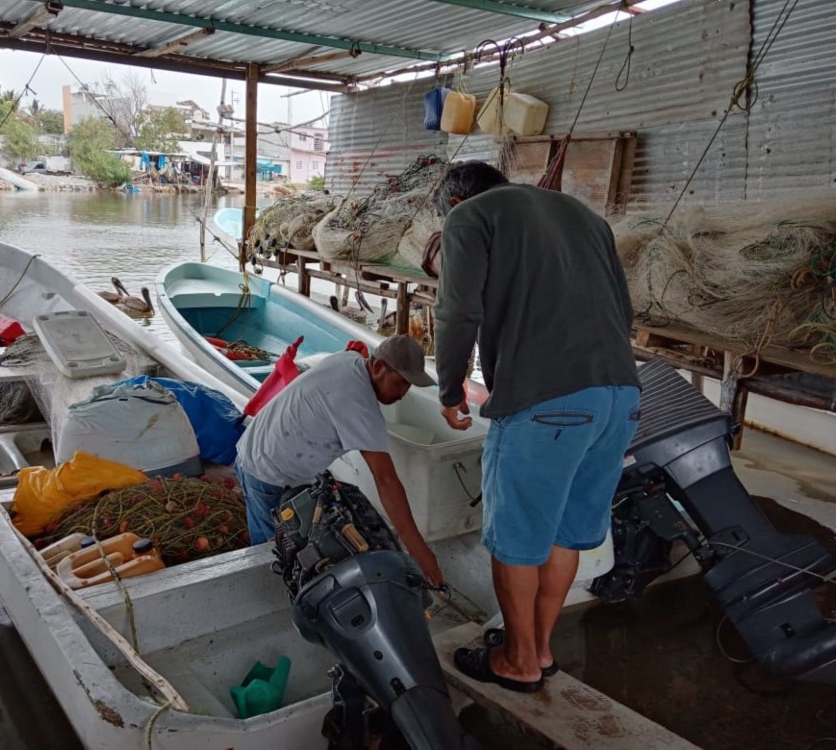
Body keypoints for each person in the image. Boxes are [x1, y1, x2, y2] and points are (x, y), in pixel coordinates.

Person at [433, 161, 640, 693]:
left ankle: (518, 661)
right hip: (620, 395)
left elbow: (457, 312)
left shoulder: (469, 217)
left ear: (455, 201)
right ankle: (540, 649)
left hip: (546, 403)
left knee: (516, 538)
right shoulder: (588, 218)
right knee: (564, 534)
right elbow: (624, 313)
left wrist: (450, 389)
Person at [233, 335, 444, 586]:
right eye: (400, 383)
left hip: (253, 450)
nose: (402, 393)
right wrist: (419, 550)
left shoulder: (349, 360)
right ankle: (275, 601)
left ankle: (271, 594)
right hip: (268, 474)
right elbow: (385, 480)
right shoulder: (359, 402)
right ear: (378, 367)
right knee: (283, 564)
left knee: (272, 551)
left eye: (408, 386)